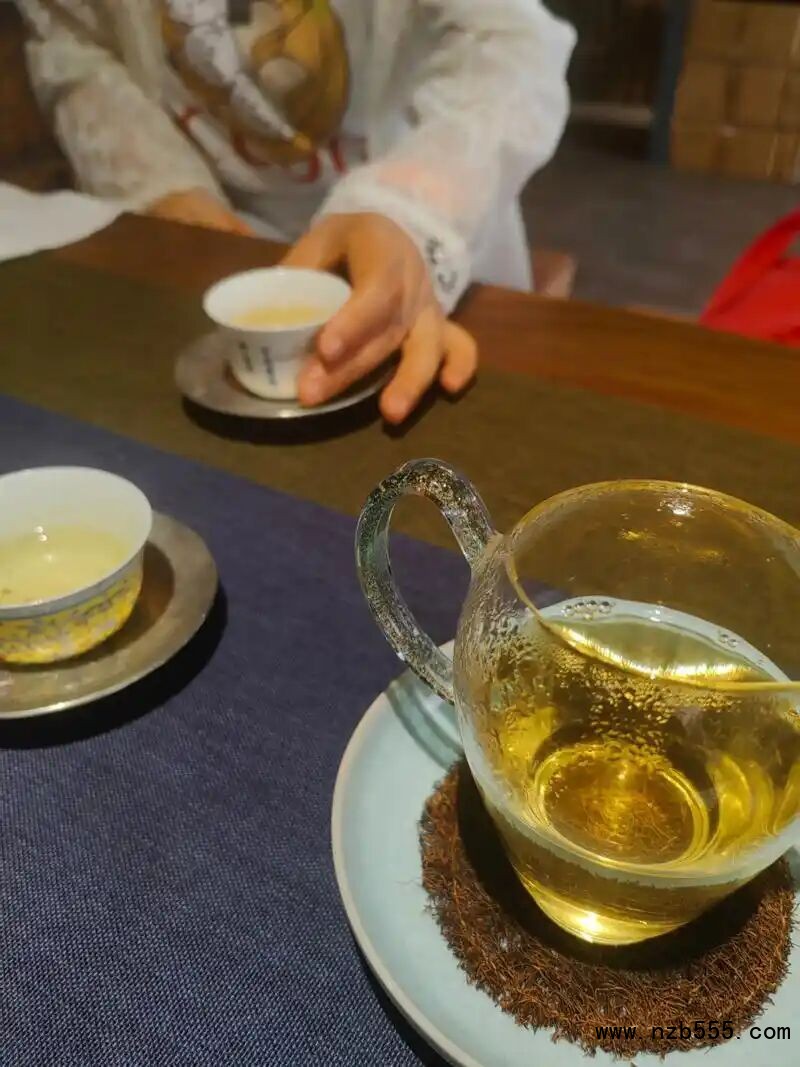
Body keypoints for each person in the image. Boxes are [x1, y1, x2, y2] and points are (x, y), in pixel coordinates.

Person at [16, 1, 575, 422]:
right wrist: (162, 185)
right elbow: (72, 45)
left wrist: (406, 208)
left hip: (437, 237)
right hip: (218, 253)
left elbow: (512, 45)